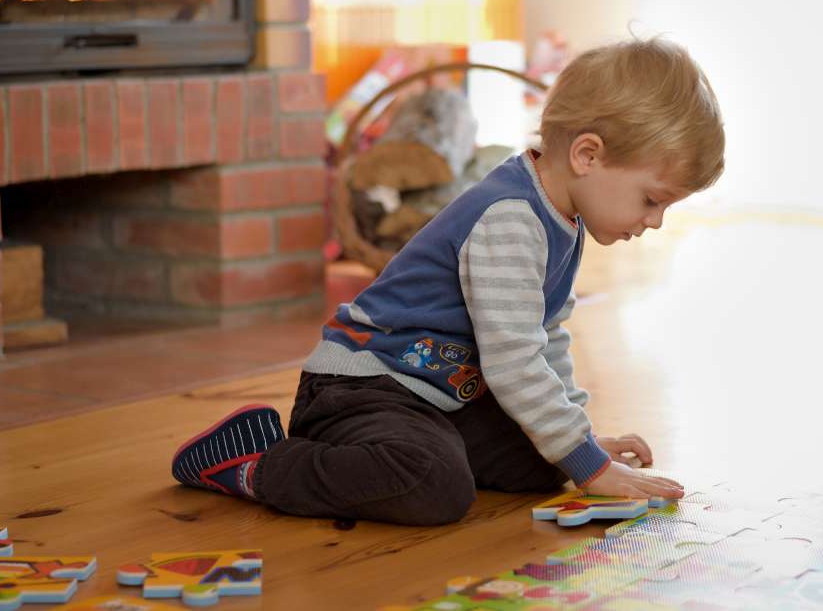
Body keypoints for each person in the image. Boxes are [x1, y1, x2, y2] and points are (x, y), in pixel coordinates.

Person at [171, 36, 726, 526]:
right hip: (363, 387)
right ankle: (256, 465)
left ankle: (376, 457)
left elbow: (545, 337)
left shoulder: (564, 221)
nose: (654, 221)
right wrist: (587, 461)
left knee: (544, 461)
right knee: (435, 485)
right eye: (652, 200)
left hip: (437, 394)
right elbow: (514, 359)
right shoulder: (511, 218)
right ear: (587, 155)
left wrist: (579, 444)